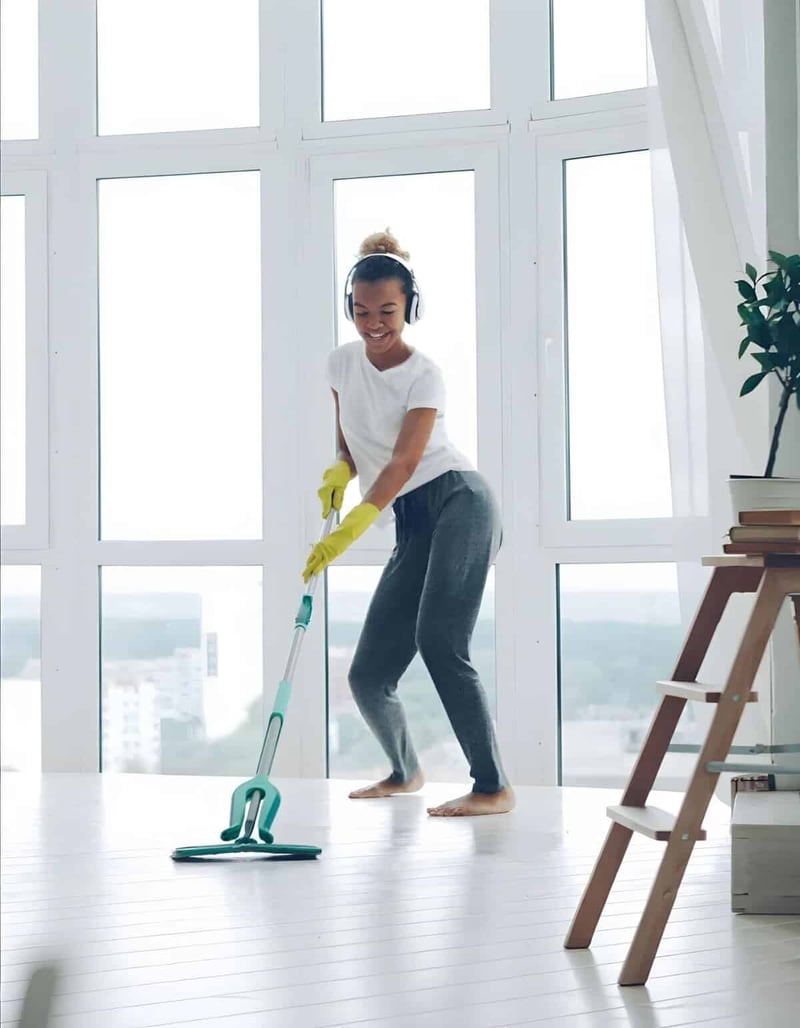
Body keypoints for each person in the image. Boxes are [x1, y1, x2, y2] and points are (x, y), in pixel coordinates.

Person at [303, 230, 514, 817]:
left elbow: (402, 460)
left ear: (410, 309)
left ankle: (493, 786)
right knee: (369, 673)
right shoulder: (341, 363)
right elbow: (352, 444)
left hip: (459, 502)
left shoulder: (425, 374)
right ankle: (405, 770)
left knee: (440, 642)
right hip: (409, 517)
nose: (374, 323)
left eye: (388, 312)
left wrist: (354, 526)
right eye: (362, 311)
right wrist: (338, 474)